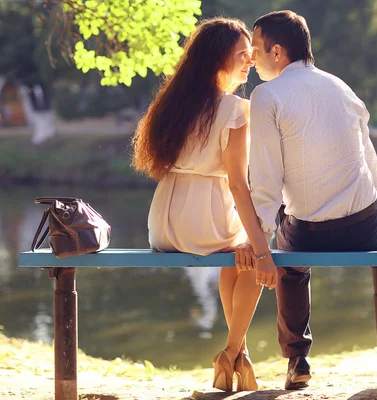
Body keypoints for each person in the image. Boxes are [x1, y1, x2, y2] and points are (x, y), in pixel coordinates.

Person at [248, 10, 377, 390]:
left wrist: (260, 237)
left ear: (277, 52)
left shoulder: (266, 95)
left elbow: (265, 179)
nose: (251, 58)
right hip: (365, 224)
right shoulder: (342, 87)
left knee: (290, 263)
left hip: (307, 232)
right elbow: (370, 163)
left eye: (255, 49)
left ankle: (297, 361)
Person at [131, 17, 277, 392]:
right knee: (250, 253)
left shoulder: (174, 102)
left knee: (238, 256)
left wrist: (251, 244)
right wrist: (262, 251)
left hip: (163, 224)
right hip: (204, 220)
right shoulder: (234, 109)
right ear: (217, 59)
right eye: (242, 55)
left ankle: (237, 357)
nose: (249, 62)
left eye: (251, 54)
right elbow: (237, 185)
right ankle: (231, 352)